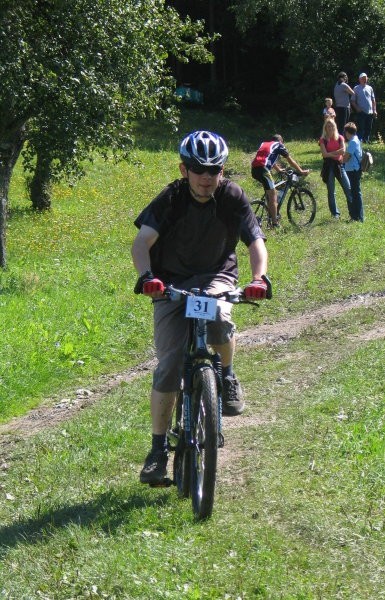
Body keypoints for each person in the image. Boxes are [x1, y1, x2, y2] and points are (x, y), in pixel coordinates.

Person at [131, 130, 270, 485]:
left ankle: (225, 374)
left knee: (221, 318)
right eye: (198, 169)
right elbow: (141, 242)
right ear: (184, 169)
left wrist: (259, 278)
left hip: (215, 276)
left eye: (215, 169)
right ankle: (158, 449)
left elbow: (255, 241)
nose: (207, 177)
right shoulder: (171, 199)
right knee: (169, 366)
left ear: (223, 171)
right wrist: (147, 276)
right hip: (170, 283)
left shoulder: (232, 196)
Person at [251, 134, 311, 227]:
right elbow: (290, 161)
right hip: (263, 170)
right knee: (273, 194)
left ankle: (270, 215)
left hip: (254, 169)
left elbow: (268, 157)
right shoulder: (279, 145)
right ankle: (275, 223)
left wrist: (278, 169)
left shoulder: (265, 144)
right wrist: (301, 171)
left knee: (269, 193)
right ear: (281, 141)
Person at [319, 118, 353, 220]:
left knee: (348, 188)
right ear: (325, 128)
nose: (330, 128)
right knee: (331, 192)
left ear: (335, 127)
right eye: (328, 126)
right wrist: (335, 153)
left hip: (339, 166)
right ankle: (335, 214)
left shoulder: (340, 138)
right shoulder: (322, 140)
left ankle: (353, 212)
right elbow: (324, 154)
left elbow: (343, 151)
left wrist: (330, 154)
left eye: (332, 126)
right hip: (328, 167)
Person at [343, 122, 364, 222]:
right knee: (356, 192)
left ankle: (357, 217)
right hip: (356, 169)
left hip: (353, 170)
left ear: (347, 132)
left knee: (355, 193)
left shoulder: (352, 142)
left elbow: (346, 158)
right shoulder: (357, 140)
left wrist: (341, 159)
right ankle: (358, 216)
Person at [351, 73, 377, 143]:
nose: (364, 79)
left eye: (365, 78)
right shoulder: (356, 88)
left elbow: (373, 100)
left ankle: (366, 141)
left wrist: (374, 110)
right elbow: (353, 101)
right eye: (363, 78)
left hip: (370, 112)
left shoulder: (370, 88)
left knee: (368, 128)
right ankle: (359, 141)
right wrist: (357, 109)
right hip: (361, 111)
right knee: (361, 128)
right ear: (359, 79)